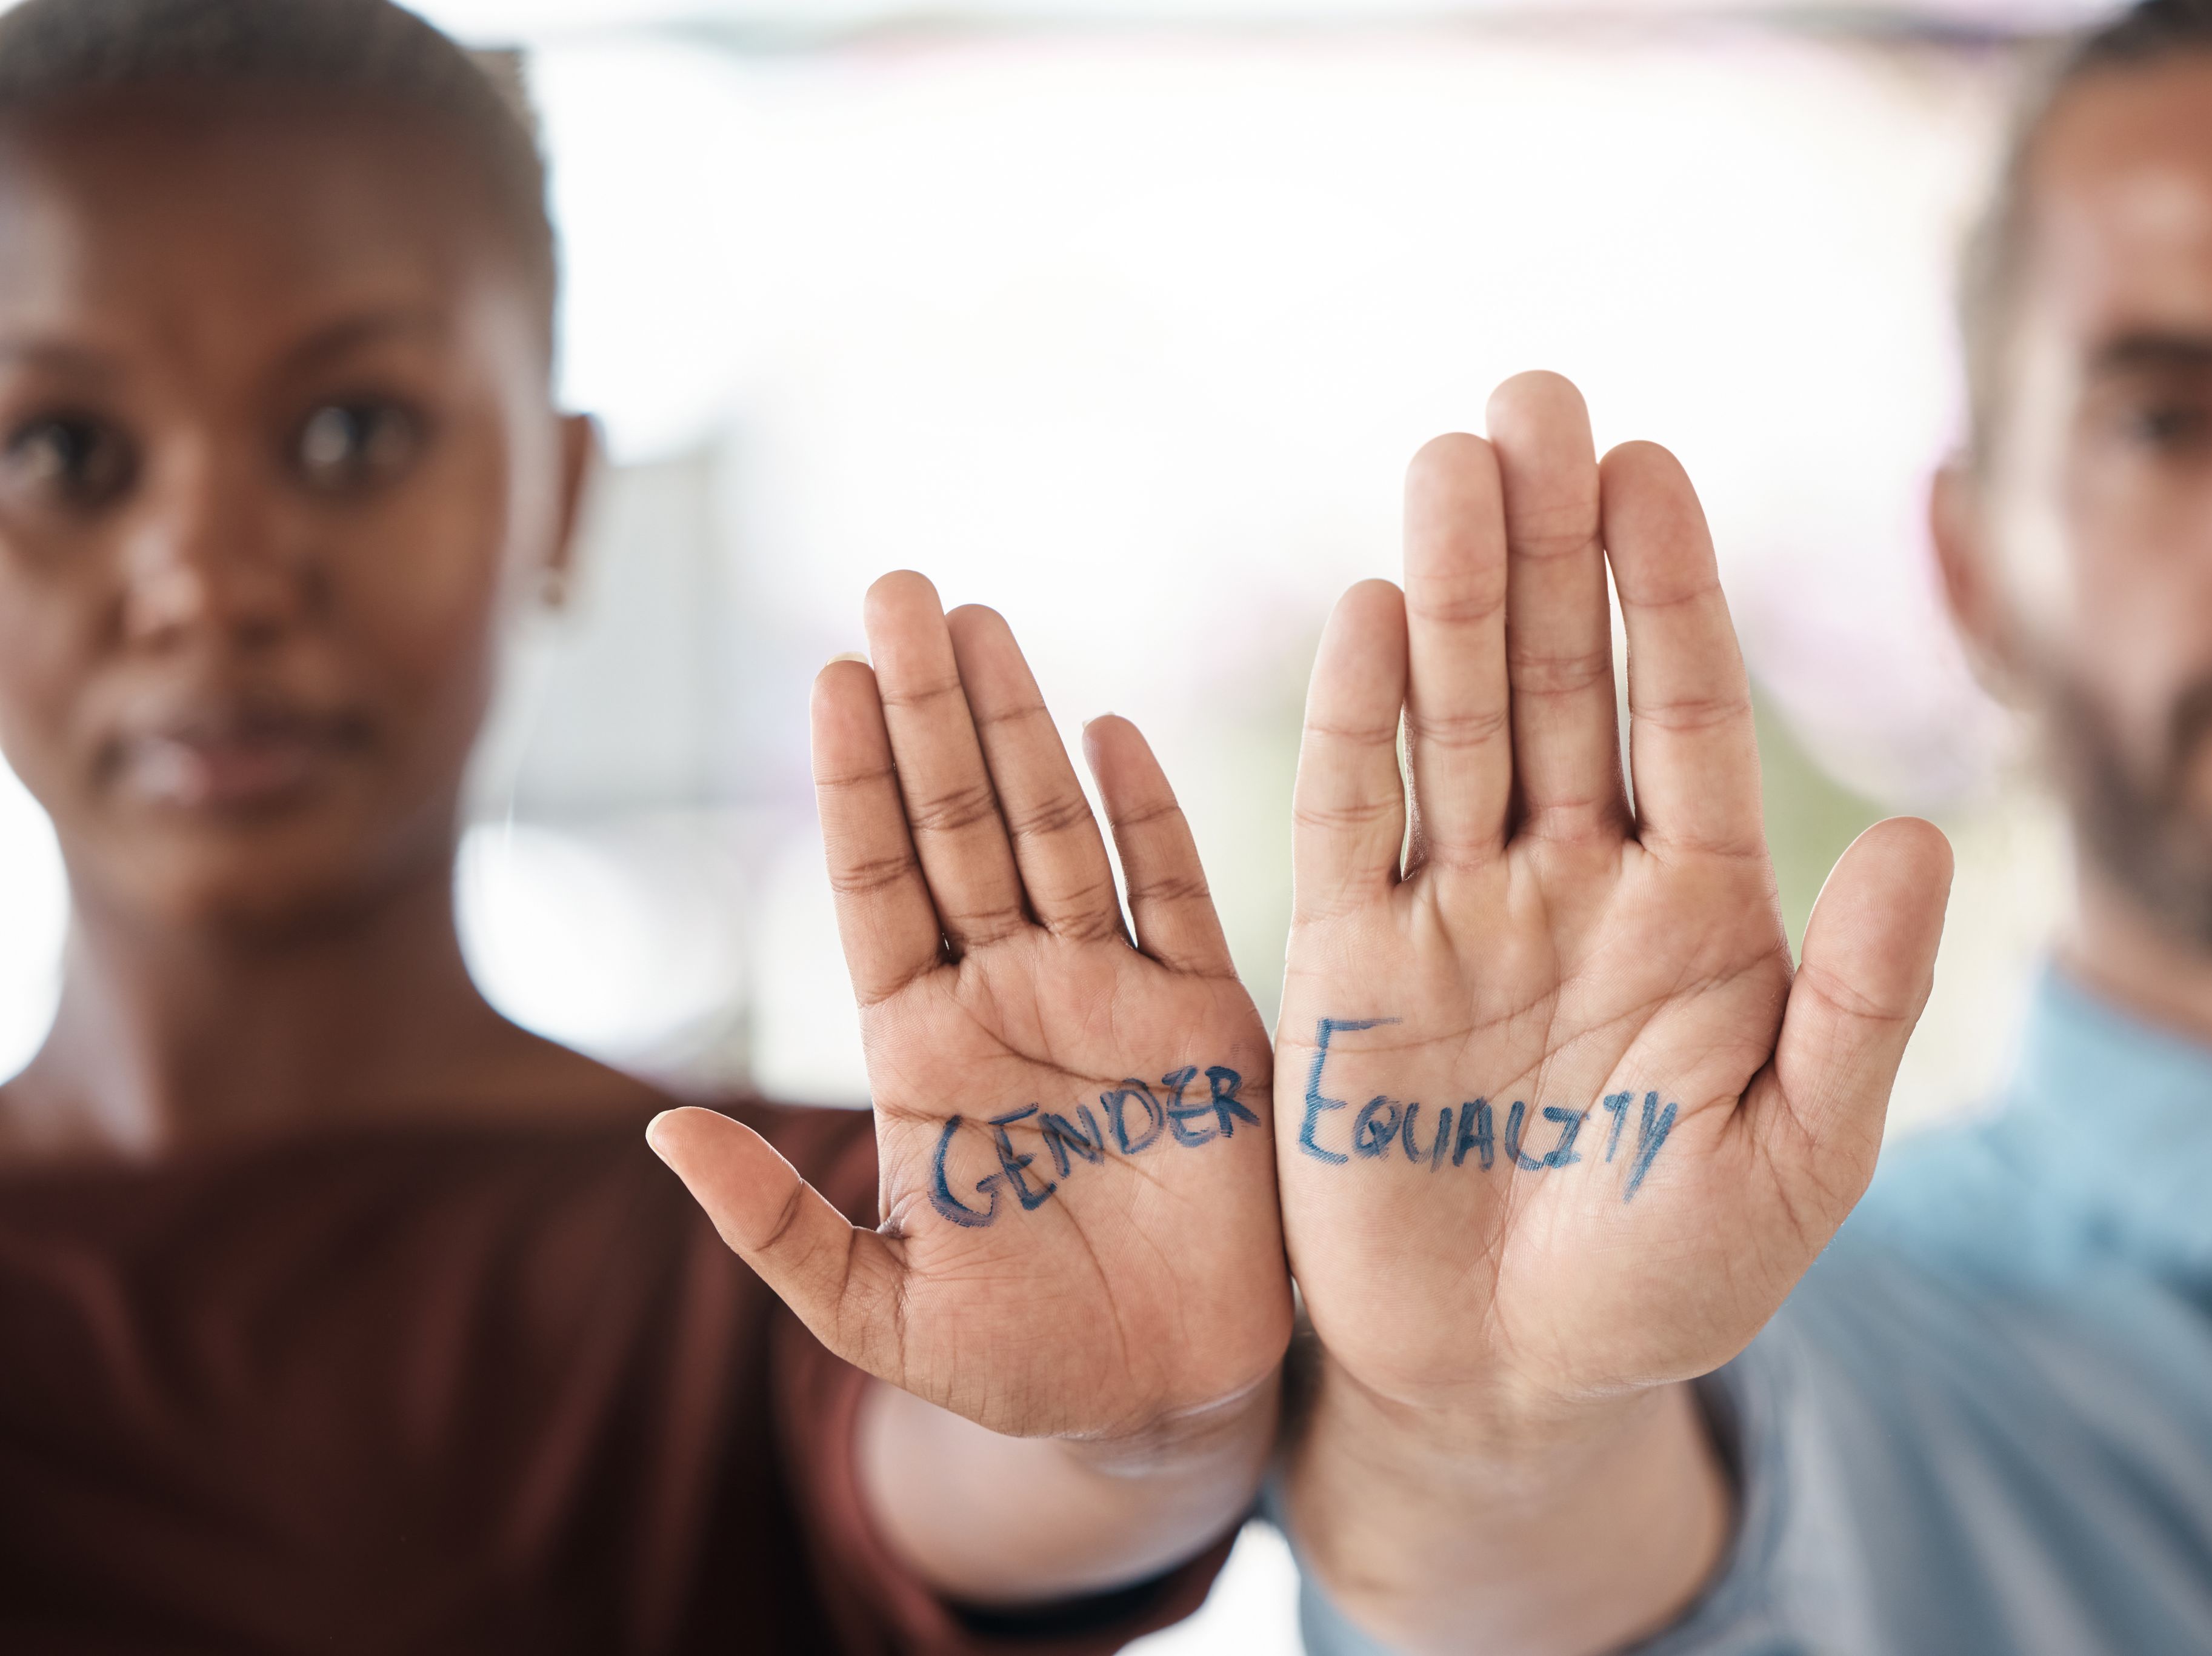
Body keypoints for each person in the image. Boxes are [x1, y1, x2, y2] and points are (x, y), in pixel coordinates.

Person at [0, 1, 1294, 1649]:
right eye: (63, 449)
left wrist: (1128, 1431)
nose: (207, 579)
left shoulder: (834, 1221)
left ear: (560, 495)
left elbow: (1009, 1453)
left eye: (349, 434)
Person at [1244, 0, 2212, 1651]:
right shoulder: (1748, 1331)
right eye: (2166, 422)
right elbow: (1559, 1559)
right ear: (1970, 572)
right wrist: (1496, 1440)